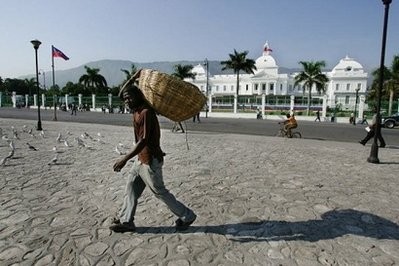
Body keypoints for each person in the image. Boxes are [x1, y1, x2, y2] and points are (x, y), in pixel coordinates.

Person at [110, 70, 196, 233]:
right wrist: (133, 78)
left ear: (139, 96)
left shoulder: (146, 113)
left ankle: (187, 216)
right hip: (141, 160)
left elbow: (143, 141)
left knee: (160, 192)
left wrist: (124, 159)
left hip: (150, 161)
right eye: (126, 99)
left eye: (130, 97)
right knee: (131, 187)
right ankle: (126, 220)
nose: (127, 100)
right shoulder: (136, 110)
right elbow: (122, 92)